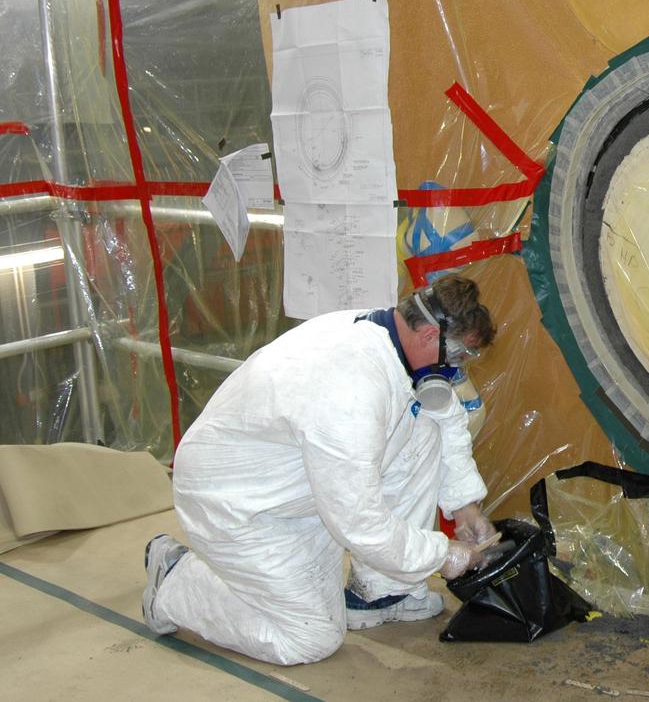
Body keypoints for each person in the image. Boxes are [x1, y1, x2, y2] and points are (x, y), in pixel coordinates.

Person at [141, 275, 501, 665]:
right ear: (431, 335)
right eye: (461, 355)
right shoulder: (349, 392)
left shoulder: (385, 336)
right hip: (239, 505)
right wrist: (443, 554)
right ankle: (175, 579)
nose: (459, 367)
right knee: (310, 638)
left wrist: (465, 505)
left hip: (297, 485)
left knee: (424, 426)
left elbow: (445, 416)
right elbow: (361, 523)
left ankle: (382, 592)